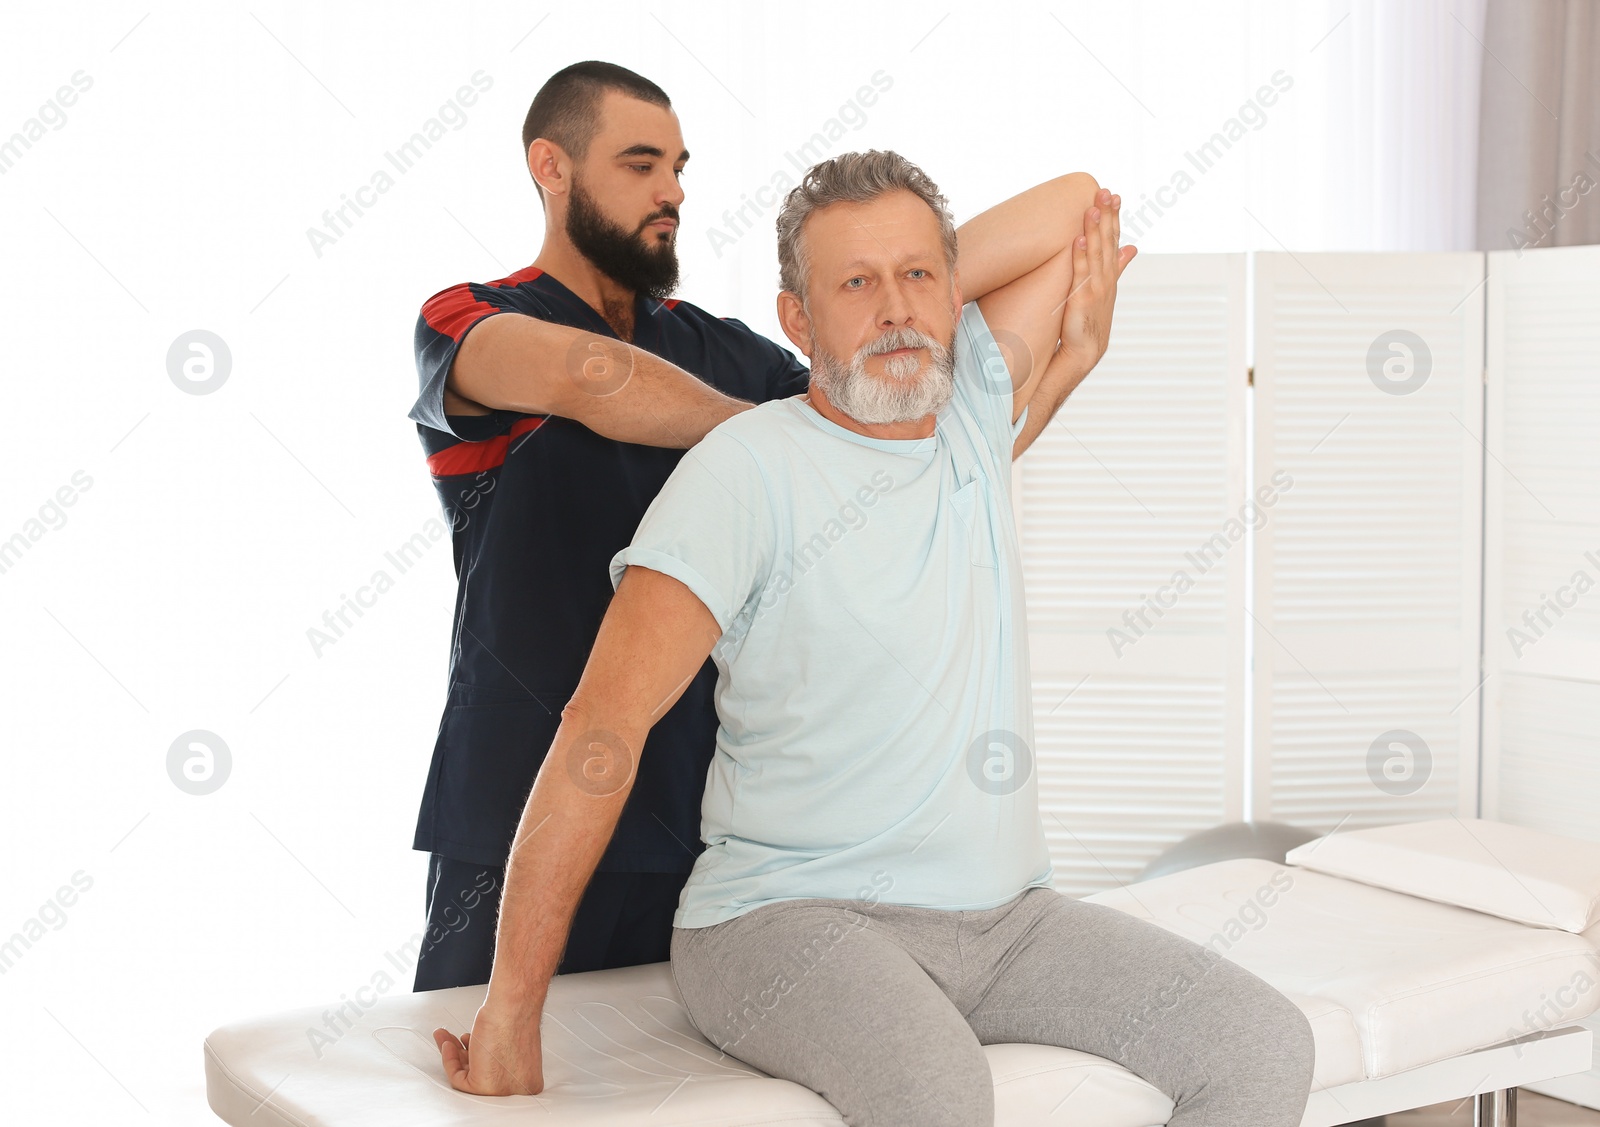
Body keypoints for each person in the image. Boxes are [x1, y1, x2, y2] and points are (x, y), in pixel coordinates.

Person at [431, 149, 1318, 1125]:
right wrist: (511, 1010)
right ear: (796, 320)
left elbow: (1075, 204)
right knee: (936, 1088)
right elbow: (599, 733)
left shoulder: (970, 413)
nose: (894, 309)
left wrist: (913, 291)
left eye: (917, 277)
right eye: (853, 284)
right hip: (780, 922)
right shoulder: (744, 472)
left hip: (1007, 921)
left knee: (1261, 1043)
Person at [407, 61, 1109, 990]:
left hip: (691, 823)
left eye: (681, 167)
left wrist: (898, 286)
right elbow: (593, 377)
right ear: (552, 166)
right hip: (516, 809)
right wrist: (774, 444)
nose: (674, 192)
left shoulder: (727, 345)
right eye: (640, 164)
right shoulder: (470, 318)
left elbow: (886, 467)